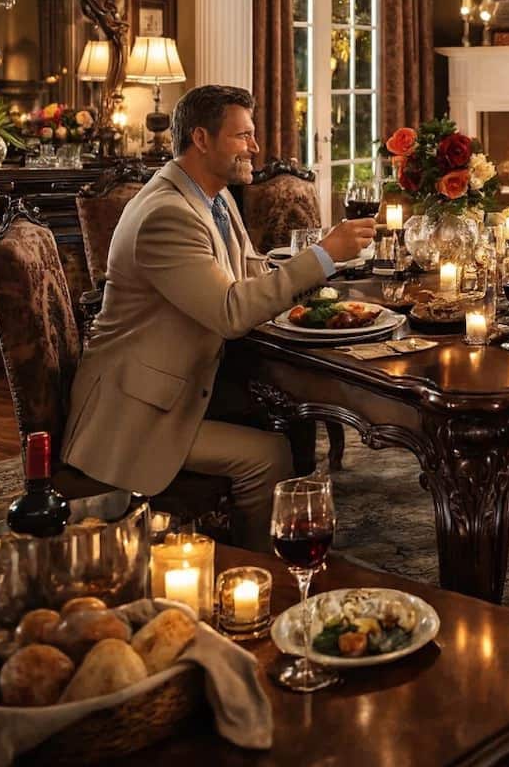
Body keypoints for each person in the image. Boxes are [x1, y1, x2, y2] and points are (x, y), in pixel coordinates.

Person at [61, 85, 377, 552]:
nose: (254, 147)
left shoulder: (215, 198)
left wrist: (325, 282)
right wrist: (324, 254)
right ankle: (259, 572)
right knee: (267, 455)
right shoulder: (167, 215)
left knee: (287, 414)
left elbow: (248, 273)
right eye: (242, 136)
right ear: (201, 139)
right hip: (136, 411)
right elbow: (231, 311)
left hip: (185, 381)